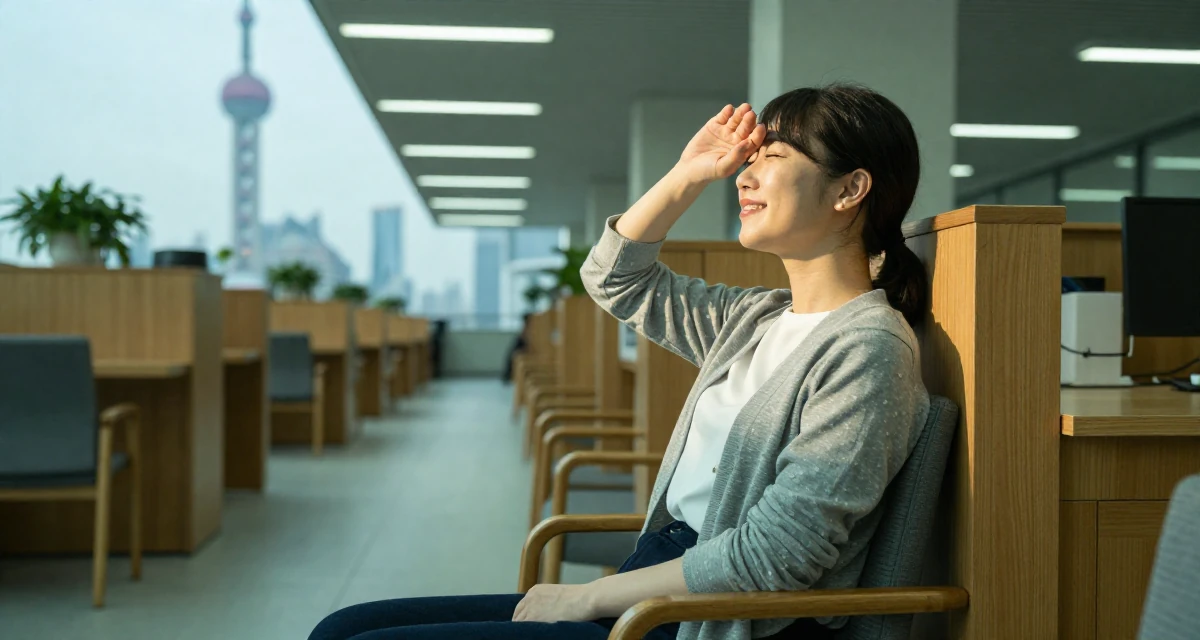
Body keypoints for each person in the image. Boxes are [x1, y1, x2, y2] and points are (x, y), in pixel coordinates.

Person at [309, 83, 931, 640]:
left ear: (850, 189)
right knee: (342, 629)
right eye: (749, 159)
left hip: (706, 619)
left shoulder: (868, 348)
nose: (744, 177)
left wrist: (590, 596)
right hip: (656, 584)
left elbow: (775, 557)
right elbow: (614, 278)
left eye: (770, 159)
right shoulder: (756, 320)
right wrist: (688, 173)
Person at [502, 313, 533, 383]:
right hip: (521, 344)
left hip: (521, 344)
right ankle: (508, 374)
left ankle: (508, 374)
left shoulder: (529, 327)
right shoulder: (526, 326)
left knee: (513, 354)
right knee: (513, 354)